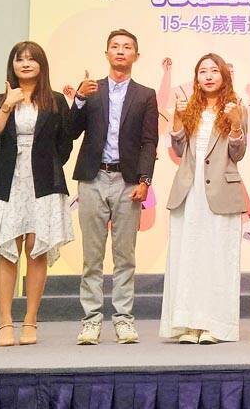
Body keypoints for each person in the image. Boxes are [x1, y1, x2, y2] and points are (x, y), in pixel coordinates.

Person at [0, 41, 74, 346]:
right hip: (8, 181)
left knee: (36, 248)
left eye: (32, 59)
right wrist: (8, 105)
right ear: (13, 66)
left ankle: (31, 320)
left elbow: (65, 144)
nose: (26, 63)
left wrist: (48, 166)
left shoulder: (56, 100)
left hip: (43, 182)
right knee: (8, 251)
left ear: (42, 65)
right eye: (20, 59)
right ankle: (5, 321)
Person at [71, 29, 158, 345]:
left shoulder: (146, 94)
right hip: (92, 179)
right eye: (115, 47)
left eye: (127, 47)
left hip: (127, 182)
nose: (121, 51)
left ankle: (123, 320)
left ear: (136, 55)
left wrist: (144, 181)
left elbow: (150, 142)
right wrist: (79, 98)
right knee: (91, 257)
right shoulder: (92, 89)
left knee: (125, 256)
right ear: (106, 53)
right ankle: (91, 321)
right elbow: (70, 132)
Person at [160, 53, 248, 344]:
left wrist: (235, 125)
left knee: (217, 257)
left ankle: (215, 325)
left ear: (224, 75)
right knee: (188, 256)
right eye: (202, 72)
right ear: (196, 78)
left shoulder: (236, 107)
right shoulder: (189, 107)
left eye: (214, 71)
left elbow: (237, 153)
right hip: (189, 190)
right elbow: (178, 148)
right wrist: (177, 121)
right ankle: (187, 323)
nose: (208, 76)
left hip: (221, 191)